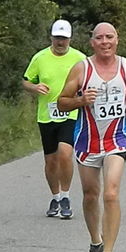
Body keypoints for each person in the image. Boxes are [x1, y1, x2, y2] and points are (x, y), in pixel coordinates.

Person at [58, 22, 126, 252]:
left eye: (110, 37)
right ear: (92, 42)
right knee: (91, 194)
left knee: (111, 194)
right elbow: (62, 102)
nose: (105, 42)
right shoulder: (82, 68)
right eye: (100, 38)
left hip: (117, 139)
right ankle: (95, 241)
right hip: (87, 141)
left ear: (117, 40)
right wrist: (81, 101)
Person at [22, 19, 86, 219]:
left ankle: (66, 196)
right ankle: (55, 197)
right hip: (47, 115)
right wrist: (35, 87)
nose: (61, 42)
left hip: (70, 112)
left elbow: (90, 80)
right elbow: (25, 81)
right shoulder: (40, 58)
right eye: (57, 38)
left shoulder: (80, 58)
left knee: (65, 154)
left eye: (64, 38)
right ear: (51, 37)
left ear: (70, 39)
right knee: (51, 161)